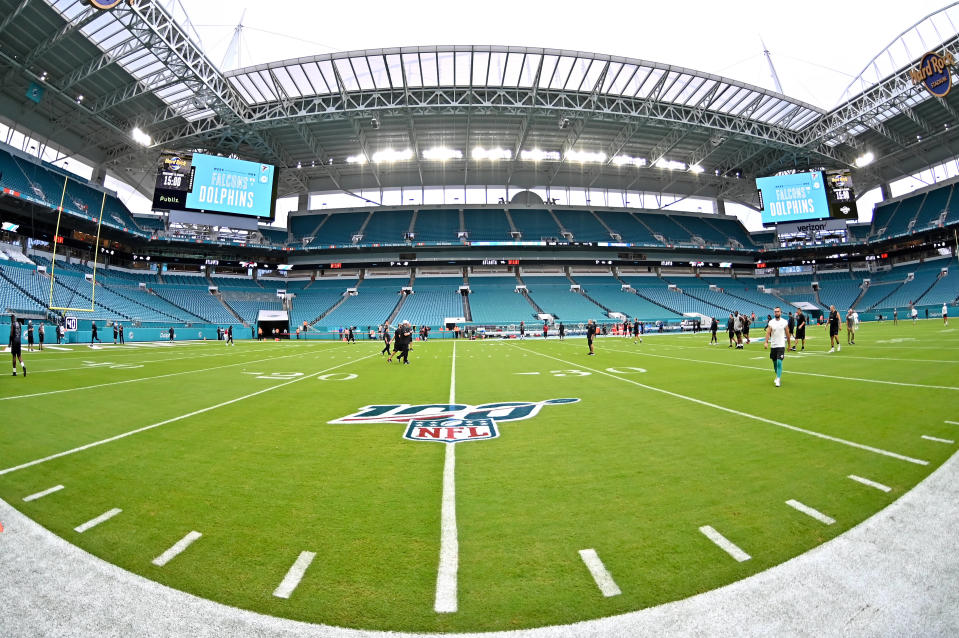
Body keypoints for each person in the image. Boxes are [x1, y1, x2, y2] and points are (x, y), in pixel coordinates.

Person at [765, 306, 791, 387]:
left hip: (781, 345)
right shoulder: (771, 322)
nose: (776, 313)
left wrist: (789, 344)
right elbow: (768, 333)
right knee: (775, 364)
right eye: (775, 311)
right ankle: (777, 375)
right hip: (773, 345)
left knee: (779, 362)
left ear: (781, 312)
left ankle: (778, 379)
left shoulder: (784, 322)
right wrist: (766, 342)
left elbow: (787, 333)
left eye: (778, 311)